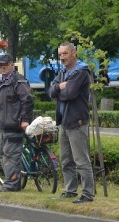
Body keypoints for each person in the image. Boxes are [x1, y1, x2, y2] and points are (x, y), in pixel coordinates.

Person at [49, 42, 95, 204]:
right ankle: (70, 190)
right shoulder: (62, 72)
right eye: (60, 54)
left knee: (81, 160)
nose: (62, 57)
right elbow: (51, 91)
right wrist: (58, 88)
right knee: (66, 160)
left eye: (65, 54)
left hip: (77, 121)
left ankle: (88, 194)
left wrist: (57, 90)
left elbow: (69, 94)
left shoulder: (81, 72)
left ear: (74, 53)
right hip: (64, 122)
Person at [0, 54, 34, 192]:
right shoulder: (1, 82)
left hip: (14, 126)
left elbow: (27, 101)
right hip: (4, 127)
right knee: (4, 154)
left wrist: (25, 120)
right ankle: (11, 181)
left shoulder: (18, 81)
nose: (2, 68)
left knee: (11, 155)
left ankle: (12, 184)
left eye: (5, 65)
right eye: (0, 65)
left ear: (11, 65)